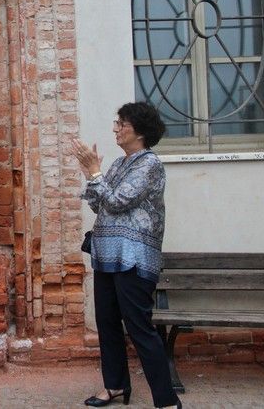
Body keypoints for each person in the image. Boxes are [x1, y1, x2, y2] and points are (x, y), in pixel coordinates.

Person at [73, 102, 180, 409]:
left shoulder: (150, 164)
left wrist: (97, 174)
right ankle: (116, 385)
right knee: (107, 323)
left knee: (139, 327)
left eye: (121, 124)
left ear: (140, 131)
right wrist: (91, 175)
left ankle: (167, 401)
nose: (115, 129)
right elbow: (101, 205)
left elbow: (118, 201)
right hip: (107, 254)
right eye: (116, 123)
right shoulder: (121, 164)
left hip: (134, 257)